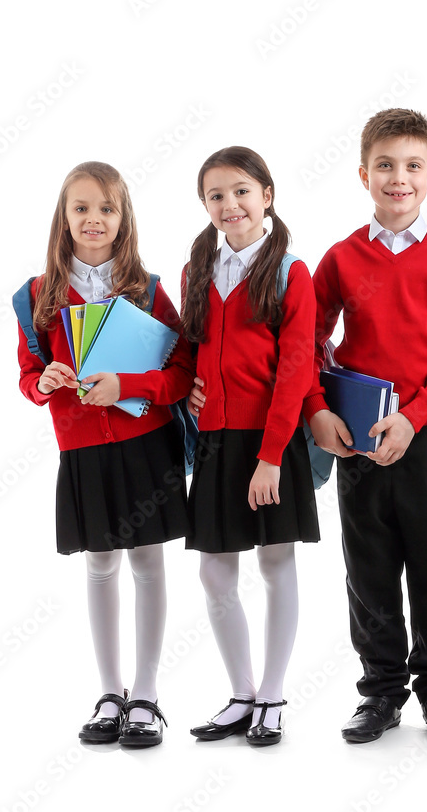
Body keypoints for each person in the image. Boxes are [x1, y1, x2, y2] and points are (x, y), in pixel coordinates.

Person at [305, 108, 427, 743]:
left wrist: (413, 416)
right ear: (363, 174)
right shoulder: (340, 259)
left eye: (412, 167)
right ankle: (380, 690)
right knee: (369, 564)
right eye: (385, 165)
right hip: (356, 435)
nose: (397, 178)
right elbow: (308, 343)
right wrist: (318, 409)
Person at [16, 161, 194, 747]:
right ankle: (109, 692)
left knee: (146, 564)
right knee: (100, 565)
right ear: (63, 218)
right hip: (83, 451)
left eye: (106, 209)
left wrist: (130, 386)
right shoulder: (36, 296)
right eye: (81, 208)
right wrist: (43, 383)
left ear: (124, 219)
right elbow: (28, 375)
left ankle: (145, 695)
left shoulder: (146, 290)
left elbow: (179, 376)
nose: (93, 219)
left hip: (146, 445)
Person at [182, 147, 320, 747]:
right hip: (214, 439)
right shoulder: (196, 270)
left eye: (241, 191)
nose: (229, 204)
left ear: (267, 194)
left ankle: (273, 695)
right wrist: (188, 385)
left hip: (272, 443)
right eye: (216, 195)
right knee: (216, 573)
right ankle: (241, 694)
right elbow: (189, 346)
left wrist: (270, 457)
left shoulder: (291, 271)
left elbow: (295, 370)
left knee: (274, 561)